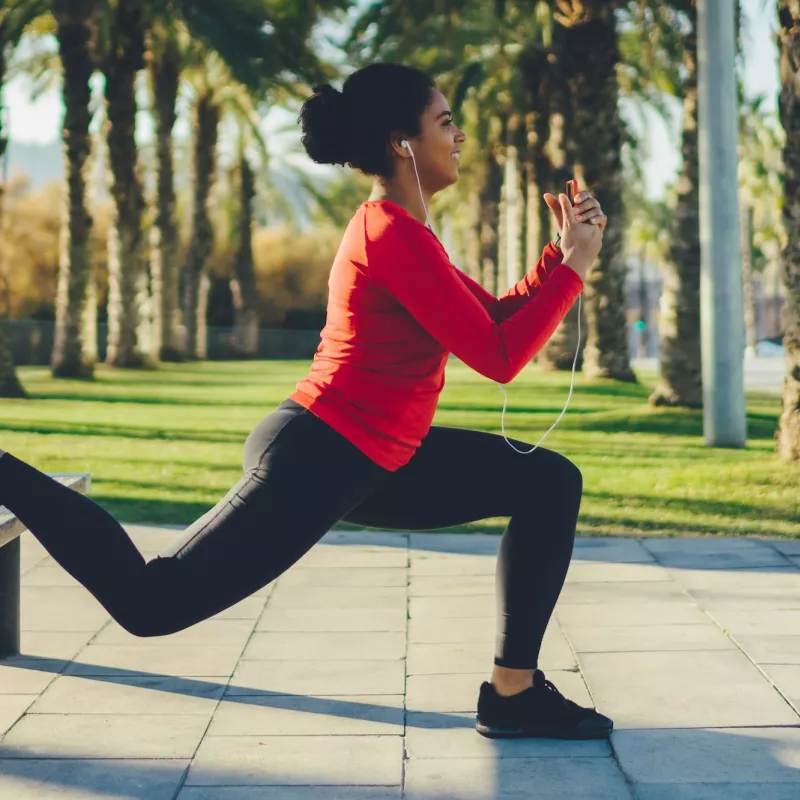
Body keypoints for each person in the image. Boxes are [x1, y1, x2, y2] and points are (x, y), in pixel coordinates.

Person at [0, 63, 610, 740]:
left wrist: (561, 256)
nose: (458, 135)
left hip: (378, 457)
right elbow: (500, 359)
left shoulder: (409, 235)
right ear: (401, 143)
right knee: (151, 603)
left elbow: (495, 318)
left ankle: (513, 693)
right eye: (444, 123)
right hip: (320, 454)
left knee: (549, 481)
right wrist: (576, 269)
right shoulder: (389, 234)